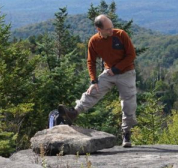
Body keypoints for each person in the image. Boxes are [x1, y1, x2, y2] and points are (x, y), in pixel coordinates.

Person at [58, 14, 137, 147]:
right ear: (98, 29)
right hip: (109, 72)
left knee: (128, 103)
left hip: (126, 73)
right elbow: (91, 62)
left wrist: (116, 69)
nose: (111, 31)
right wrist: (94, 81)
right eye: (107, 29)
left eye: (111, 27)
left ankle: (126, 133)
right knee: (93, 91)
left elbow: (131, 55)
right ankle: (74, 112)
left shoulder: (121, 35)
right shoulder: (94, 41)